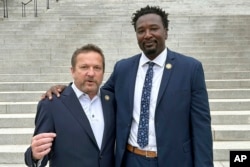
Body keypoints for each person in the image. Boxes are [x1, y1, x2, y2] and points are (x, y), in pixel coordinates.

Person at [43, 5, 214, 167]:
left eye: (154, 28)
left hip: (174, 160)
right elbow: (97, 91)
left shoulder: (190, 69)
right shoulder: (123, 68)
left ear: (166, 32)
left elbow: (201, 127)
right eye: (141, 31)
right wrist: (67, 90)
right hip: (132, 159)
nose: (147, 35)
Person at [24, 44, 116, 167]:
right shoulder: (51, 104)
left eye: (97, 68)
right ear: (72, 71)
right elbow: (41, 149)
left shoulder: (112, 101)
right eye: (84, 67)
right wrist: (34, 156)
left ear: (103, 72)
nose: (91, 73)